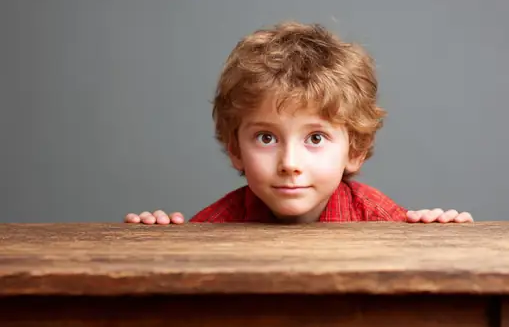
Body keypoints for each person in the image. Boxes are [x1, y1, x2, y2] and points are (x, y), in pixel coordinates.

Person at [124, 21, 473, 225]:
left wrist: (436, 234)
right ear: (235, 150)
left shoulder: (376, 217)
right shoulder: (218, 224)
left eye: (316, 139)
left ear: (355, 150)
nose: (290, 164)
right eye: (265, 138)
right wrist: (155, 240)